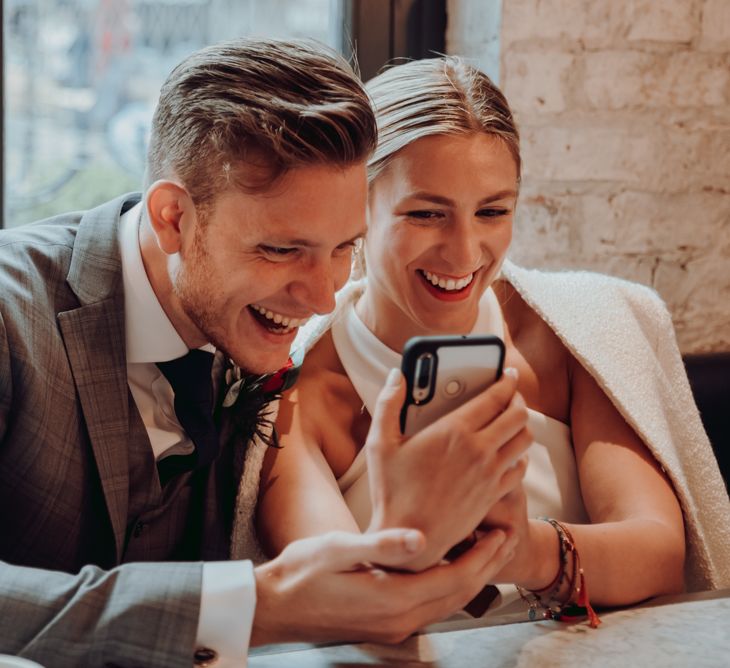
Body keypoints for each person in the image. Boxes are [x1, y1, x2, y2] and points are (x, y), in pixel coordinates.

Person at [0, 41, 526, 668]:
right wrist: (255, 604)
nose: (324, 297)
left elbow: (367, 605)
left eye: (343, 249)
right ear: (173, 218)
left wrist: (416, 528)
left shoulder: (266, 346)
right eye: (282, 251)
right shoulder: (11, 314)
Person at [254, 57, 730, 620]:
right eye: (428, 213)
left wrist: (522, 548)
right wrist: (410, 531)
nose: (464, 253)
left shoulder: (571, 336)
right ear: (359, 209)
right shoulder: (301, 395)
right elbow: (339, 605)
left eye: (492, 211)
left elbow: (658, 553)